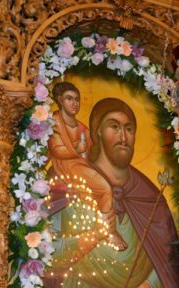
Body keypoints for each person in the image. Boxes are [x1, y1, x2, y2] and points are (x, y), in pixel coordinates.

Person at [39, 98, 179, 288]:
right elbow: (45, 254)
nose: (123, 136)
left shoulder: (150, 196)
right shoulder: (70, 180)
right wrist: (93, 236)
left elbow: (168, 263)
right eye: (114, 126)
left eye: (129, 128)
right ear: (97, 132)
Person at [47, 82, 127, 251]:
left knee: (107, 182)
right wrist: (76, 149)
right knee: (105, 188)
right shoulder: (54, 122)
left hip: (81, 165)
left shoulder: (82, 127)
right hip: (66, 166)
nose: (74, 103)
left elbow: (92, 153)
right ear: (60, 100)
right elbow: (56, 150)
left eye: (77, 99)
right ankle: (109, 231)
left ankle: (105, 228)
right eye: (69, 99)